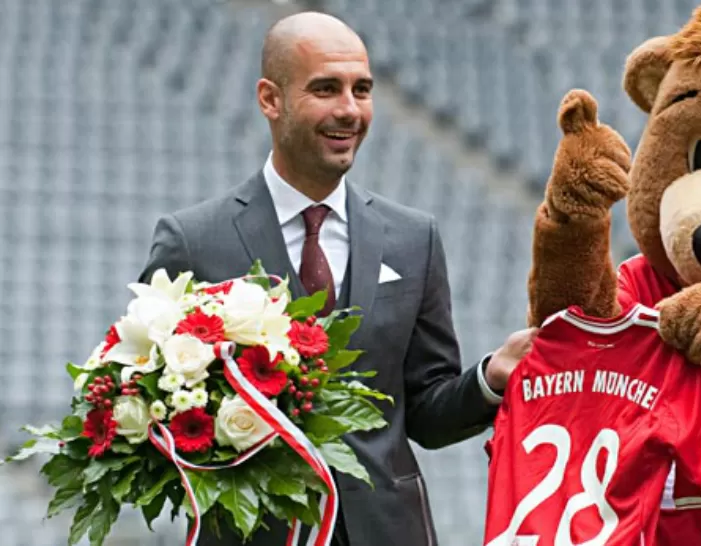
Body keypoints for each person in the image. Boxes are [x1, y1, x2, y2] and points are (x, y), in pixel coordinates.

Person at [138, 11, 536, 546]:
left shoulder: (414, 238)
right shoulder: (193, 241)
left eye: (362, 89)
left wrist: (491, 377)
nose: (349, 109)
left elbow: (425, 413)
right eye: (326, 89)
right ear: (269, 99)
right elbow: (148, 404)